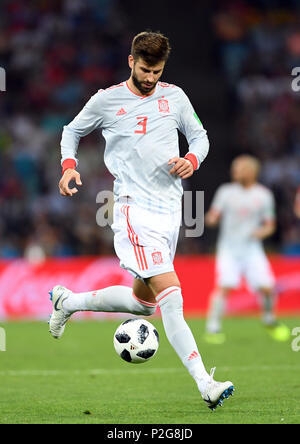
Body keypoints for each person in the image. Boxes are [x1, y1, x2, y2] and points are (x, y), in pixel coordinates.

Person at [49, 31, 234, 410]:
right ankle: (205, 383)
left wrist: (192, 159)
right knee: (173, 297)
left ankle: (68, 301)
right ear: (131, 61)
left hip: (170, 211)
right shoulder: (106, 100)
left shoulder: (175, 97)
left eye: (158, 71)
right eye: (146, 69)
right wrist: (69, 167)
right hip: (134, 209)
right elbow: (72, 131)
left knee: (143, 304)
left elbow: (200, 136)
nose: (151, 78)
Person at [205, 155, 290, 344]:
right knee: (224, 286)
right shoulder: (226, 191)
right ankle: (213, 327)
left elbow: (270, 225)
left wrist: (261, 232)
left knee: (268, 288)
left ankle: (269, 319)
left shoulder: (263, 195)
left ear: (251, 171)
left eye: (238, 168)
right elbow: (214, 214)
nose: (234, 172)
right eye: (234, 168)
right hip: (229, 249)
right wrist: (211, 219)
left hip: (252, 249)